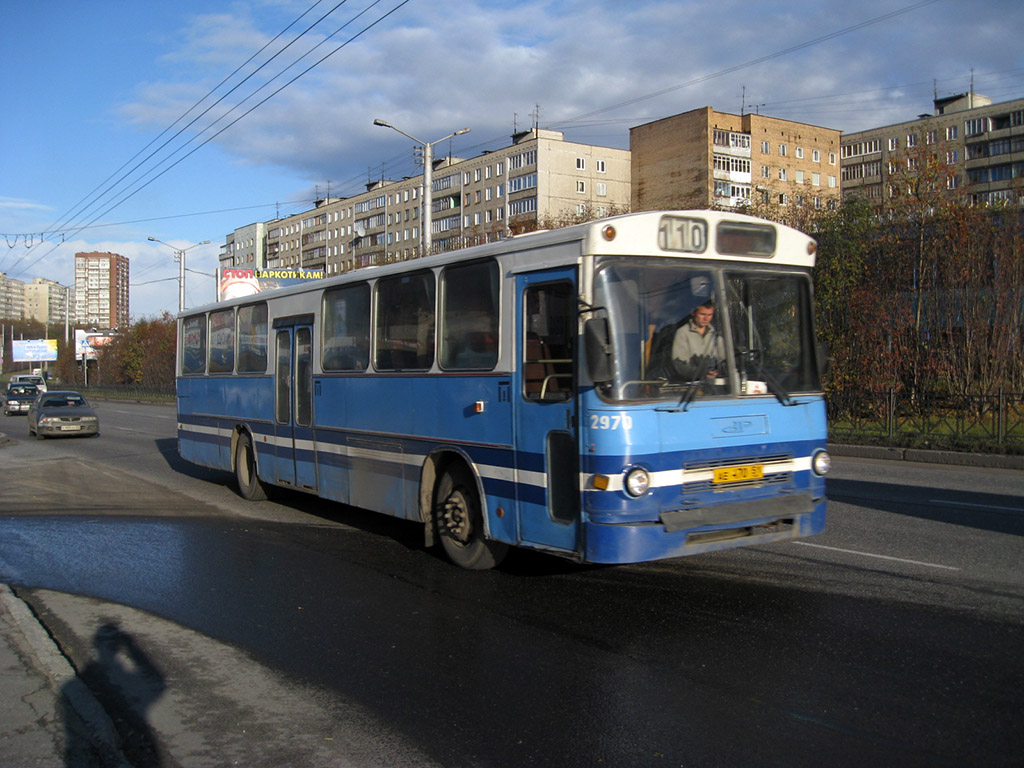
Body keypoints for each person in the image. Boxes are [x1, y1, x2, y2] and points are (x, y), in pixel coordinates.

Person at [671, 300, 726, 381]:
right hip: (691, 385)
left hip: (715, 384)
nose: (706, 318)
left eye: (709, 315)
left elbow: (724, 360)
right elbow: (680, 365)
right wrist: (703, 373)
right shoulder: (683, 333)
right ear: (693, 313)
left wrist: (720, 372)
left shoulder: (716, 333)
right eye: (702, 314)